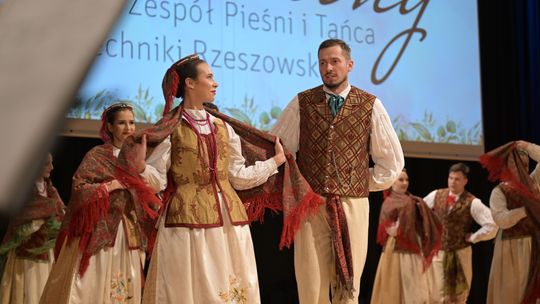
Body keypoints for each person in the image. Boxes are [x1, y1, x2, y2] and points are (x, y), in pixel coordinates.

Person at [112, 54, 294, 304]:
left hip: (229, 220)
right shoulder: (171, 128)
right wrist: (142, 167)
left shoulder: (223, 127)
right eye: (209, 77)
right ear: (190, 83)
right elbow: (157, 182)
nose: (215, 83)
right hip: (186, 223)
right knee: (187, 290)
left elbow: (237, 178)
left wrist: (275, 162)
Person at [270, 38, 404, 303]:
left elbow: (392, 163)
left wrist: (358, 182)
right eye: (322, 63)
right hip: (311, 205)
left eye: (334, 61)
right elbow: (278, 147)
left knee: (348, 283)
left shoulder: (370, 105)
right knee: (310, 282)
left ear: (349, 64)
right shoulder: (303, 102)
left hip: (352, 205)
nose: (328, 68)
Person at [39, 103, 167, 304]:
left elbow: (156, 186)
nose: (128, 128)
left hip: (128, 231)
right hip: (100, 229)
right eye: (122, 123)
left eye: (132, 123)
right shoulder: (97, 155)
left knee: (124, 284)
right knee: (92, 282)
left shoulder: (140, 155)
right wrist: (110, 186)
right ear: (109, 127)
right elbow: (80, 188)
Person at [423, 162, 498, 303]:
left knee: (460, 295)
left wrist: (474, 237)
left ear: (465, 181)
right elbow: (421, 212)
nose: (453, 182)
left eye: (457, 179)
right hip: (439, 252)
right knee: (437, 293)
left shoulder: (472, 202)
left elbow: (492, 224)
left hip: (460, 253)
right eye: (450, 178)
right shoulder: (436, 195)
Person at [0, 153, 65, 304]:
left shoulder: (51, 190)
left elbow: (61, 213)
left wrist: (53, 221)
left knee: (44, 288)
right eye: (46, 164)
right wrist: (43, 219)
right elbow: (19, 220)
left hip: (45, 249)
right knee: (29, 293)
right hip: (26, 252)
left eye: (51, 163)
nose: (52, 167)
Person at [371, 169, 442, 304]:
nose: (405, 183)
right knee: (396, 287)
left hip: (415, 244)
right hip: (398, 247)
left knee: (417, 286)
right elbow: (389, 229)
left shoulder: (414, 201)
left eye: (406, 180)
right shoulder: (389, 202)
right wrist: (404, 222)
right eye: (401, 180)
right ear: (392, 182)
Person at [481, 140, 540, 304]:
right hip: (511, 248)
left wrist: (527, 146)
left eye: (526, 164)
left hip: (535, 244)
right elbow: (501, 220)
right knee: (512, 293)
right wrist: (523, 211)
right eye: (518, 164)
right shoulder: (500, 191)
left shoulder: (535, 183)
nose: (523, 168)